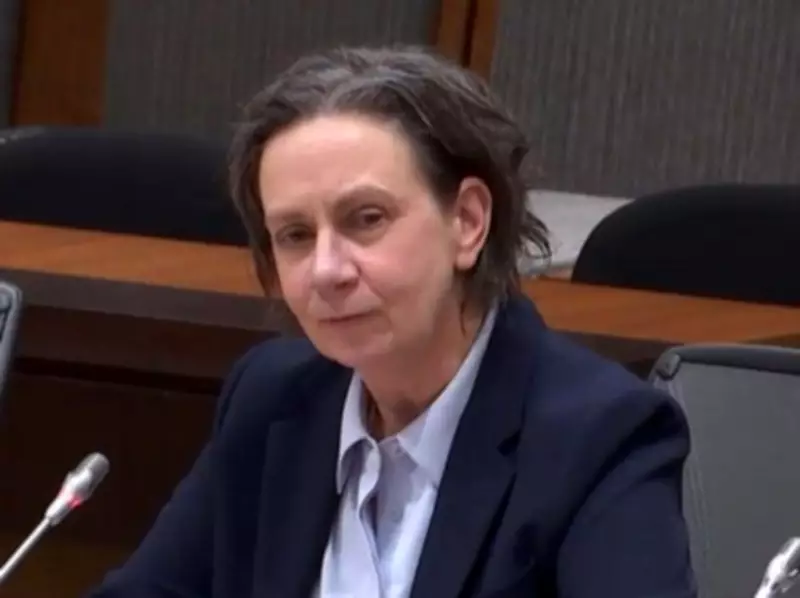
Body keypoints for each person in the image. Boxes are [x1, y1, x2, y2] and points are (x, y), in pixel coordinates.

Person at [87, 46, 696, 598]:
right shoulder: (274, 398)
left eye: (367, 219)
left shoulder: (597, 435)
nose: (327, 270)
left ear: (468, 222)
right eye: (295, 234)